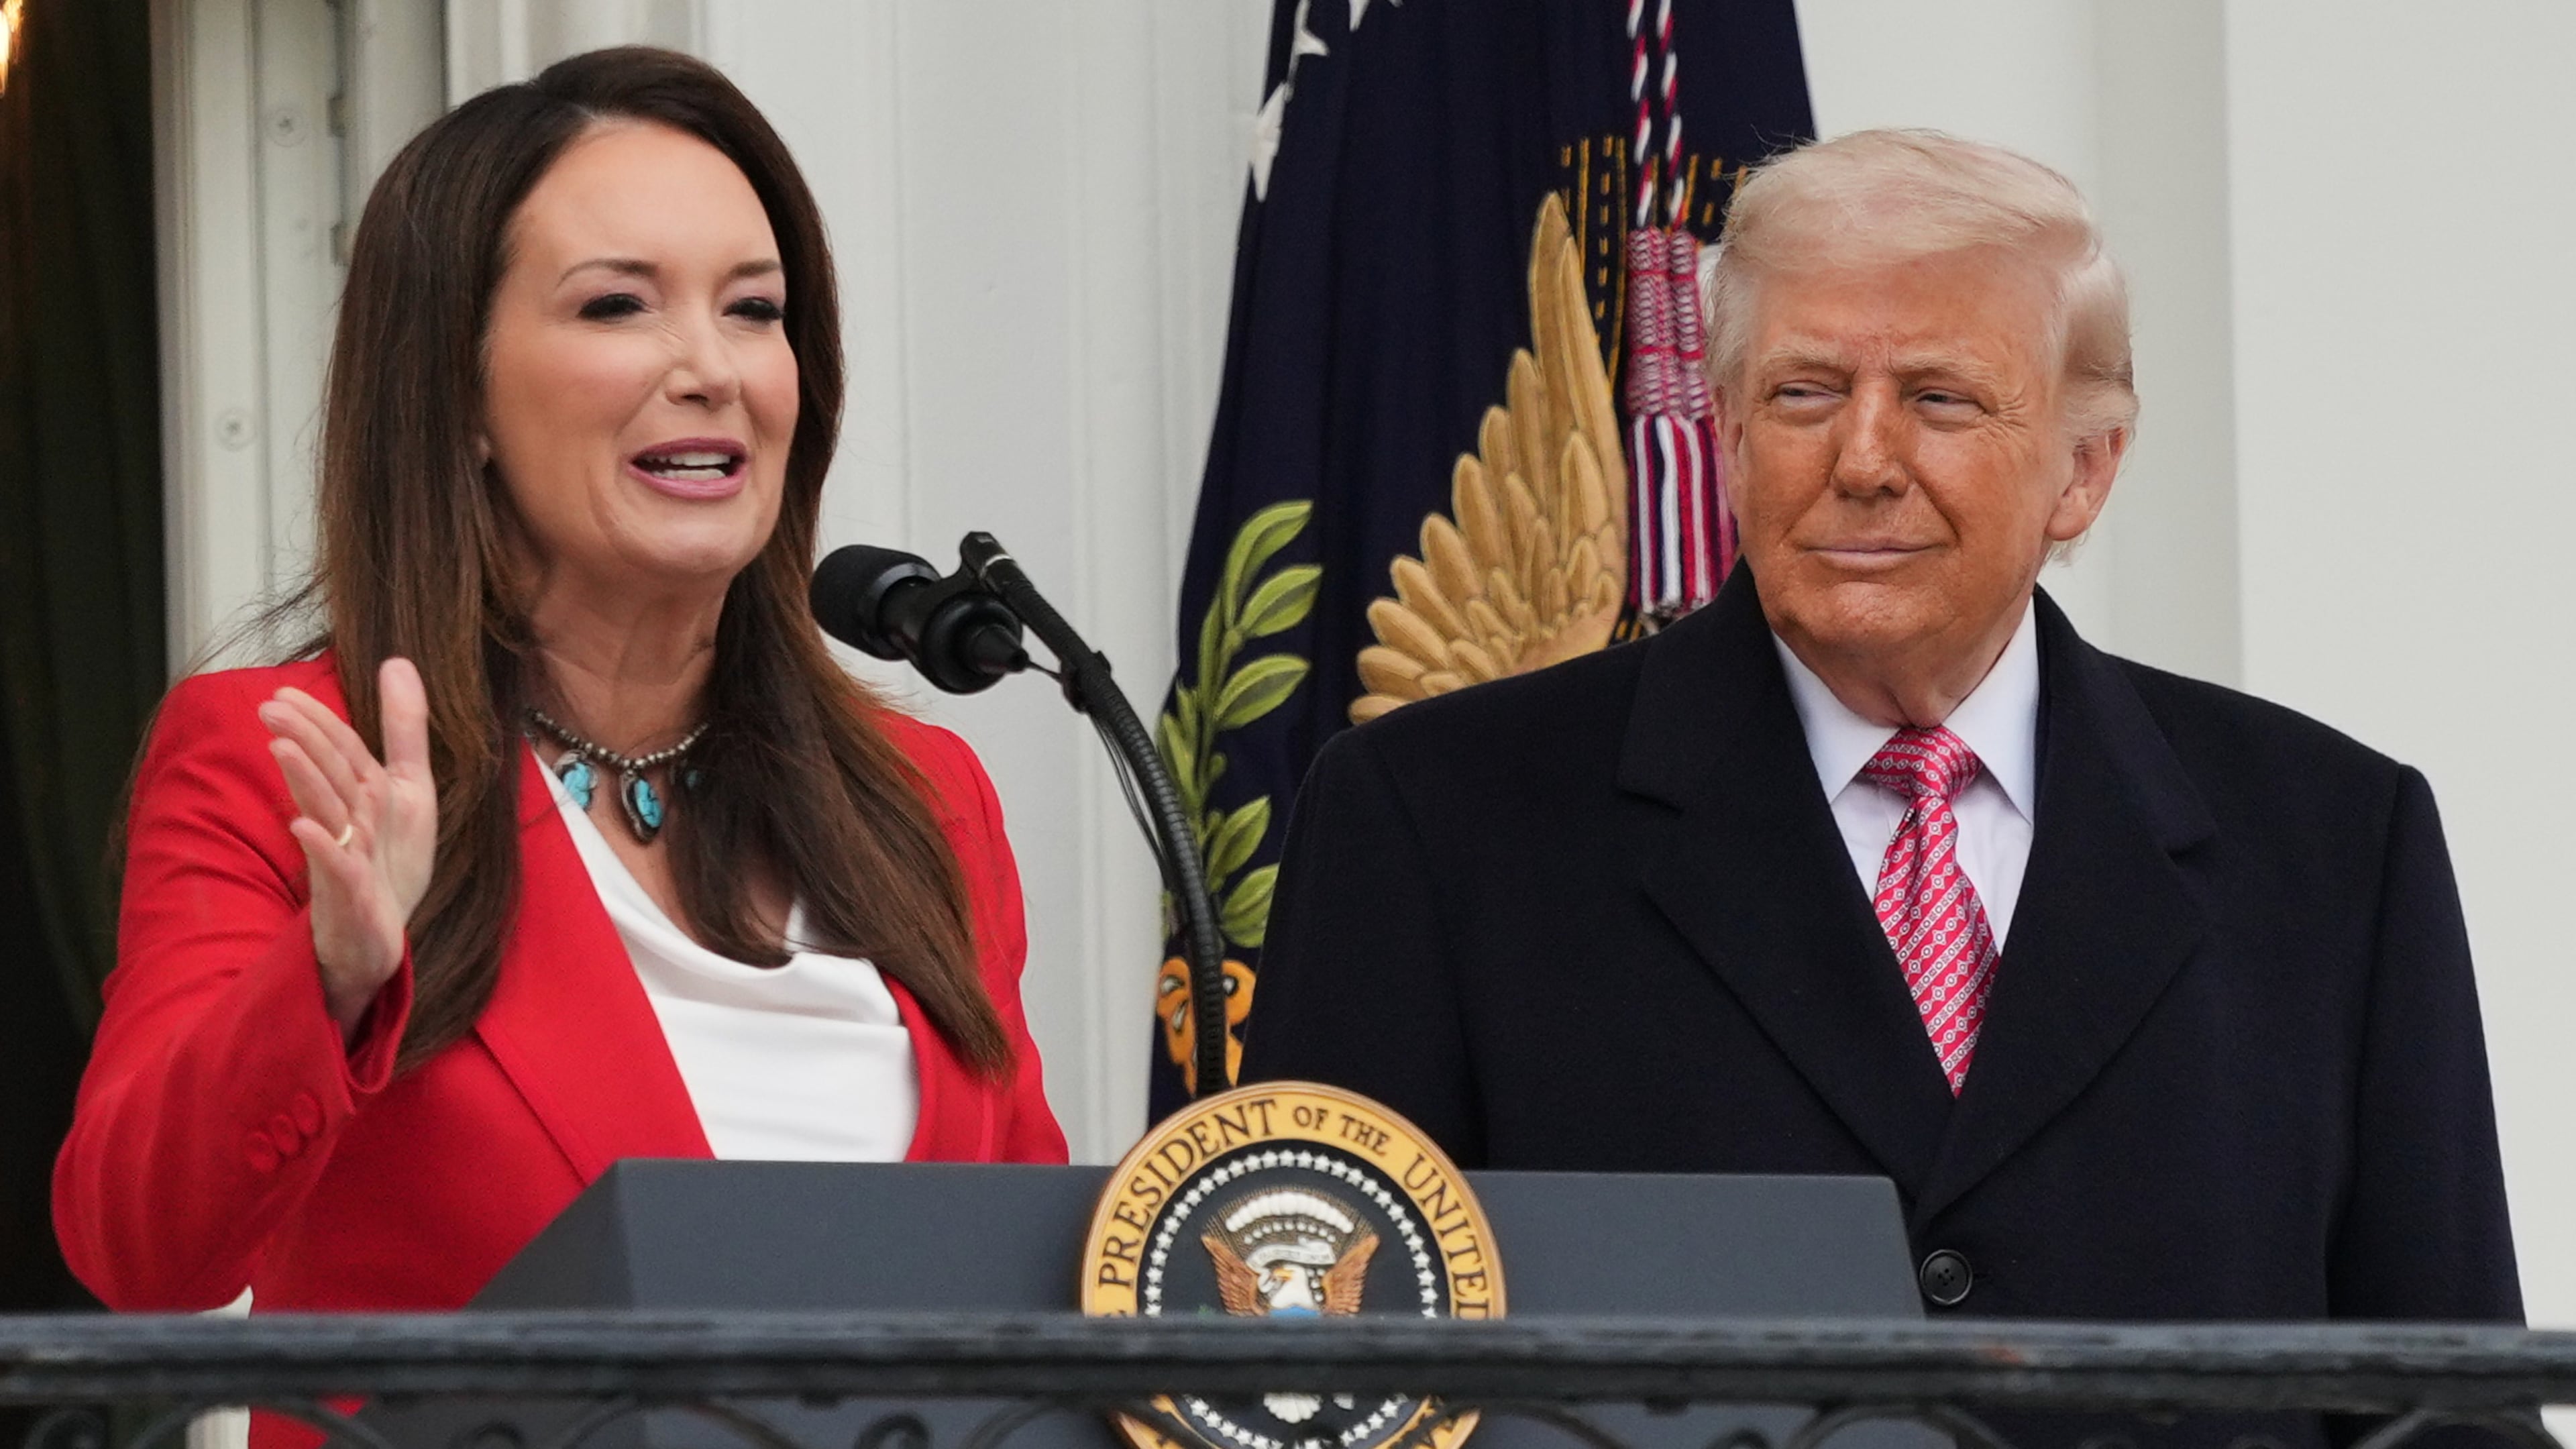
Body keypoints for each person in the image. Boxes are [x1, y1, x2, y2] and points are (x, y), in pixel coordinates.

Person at [1242, 131, 2518, 1342]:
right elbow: (1320, 1377)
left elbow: (2447, 1404)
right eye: (1804, 393)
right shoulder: (1430, 818)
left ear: (2086, 466)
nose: (1863, 458)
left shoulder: (2338, 844)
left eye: (1941, 399)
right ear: (1731, 438)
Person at [54, 47, 1065, 1317]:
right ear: (459, 392)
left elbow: (1029, 1289)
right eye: (616, 307)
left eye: (755, 309)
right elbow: (141, 1254)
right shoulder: (294, 758)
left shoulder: (924, 796)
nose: (713, 367)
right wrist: (328, 979)